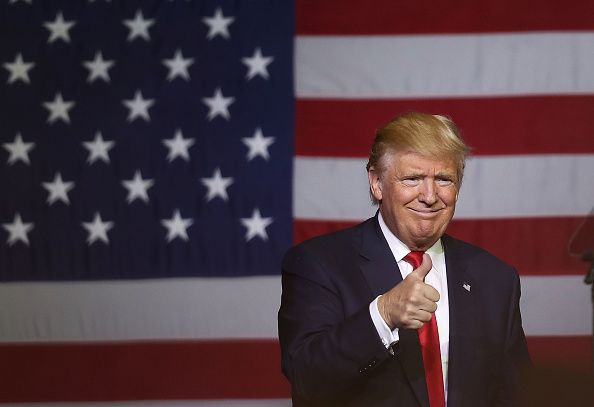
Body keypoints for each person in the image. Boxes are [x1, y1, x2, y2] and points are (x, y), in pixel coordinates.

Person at [278, 112, 531, 406]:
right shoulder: (318, 264)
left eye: (443, 179)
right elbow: (307, 379)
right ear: (377, 183)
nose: (429, 195)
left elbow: (517, 394)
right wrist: (382, 315)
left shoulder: (495, 277)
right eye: (413, 178)